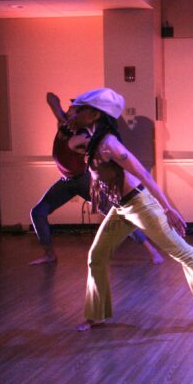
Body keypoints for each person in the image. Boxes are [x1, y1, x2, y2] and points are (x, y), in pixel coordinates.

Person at [66, 88, 193, 331]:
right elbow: (71, 141)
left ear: (95, 114)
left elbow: (143, 174)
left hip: (140, 205)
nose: (74, 114)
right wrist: (69, 120)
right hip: (120, 208)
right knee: (97, 255)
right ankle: (97, 315)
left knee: (182, 252)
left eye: (79, 110)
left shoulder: (110, 144)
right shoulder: (93, 140)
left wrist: (168, 208)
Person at [29, 92, 163, 266]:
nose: (71, 113)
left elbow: (93, 144)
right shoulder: (64, 125)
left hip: (85, 181)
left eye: (75, 111)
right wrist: (58, 109)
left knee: (120, 215)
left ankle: (151, 250)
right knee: (38, 212)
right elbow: (52, 102)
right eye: (71, 110)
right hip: (66, 181)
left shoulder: (83, 134)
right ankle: (49, 255)